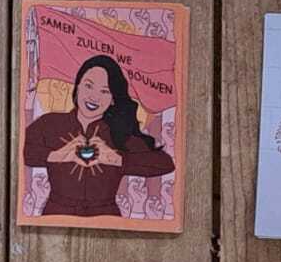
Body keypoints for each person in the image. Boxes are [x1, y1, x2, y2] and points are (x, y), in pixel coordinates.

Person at [23, 54, 176, 222]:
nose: (94, 97)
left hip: (106, 220)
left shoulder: (120, 133)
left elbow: (165, 164)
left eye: (104, 91)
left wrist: (117, 159)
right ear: (77, 87)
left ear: (112, 99)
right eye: (88, 86)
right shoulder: (50, 123)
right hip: (57, 217)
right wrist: (57, 155)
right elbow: (22, 151)